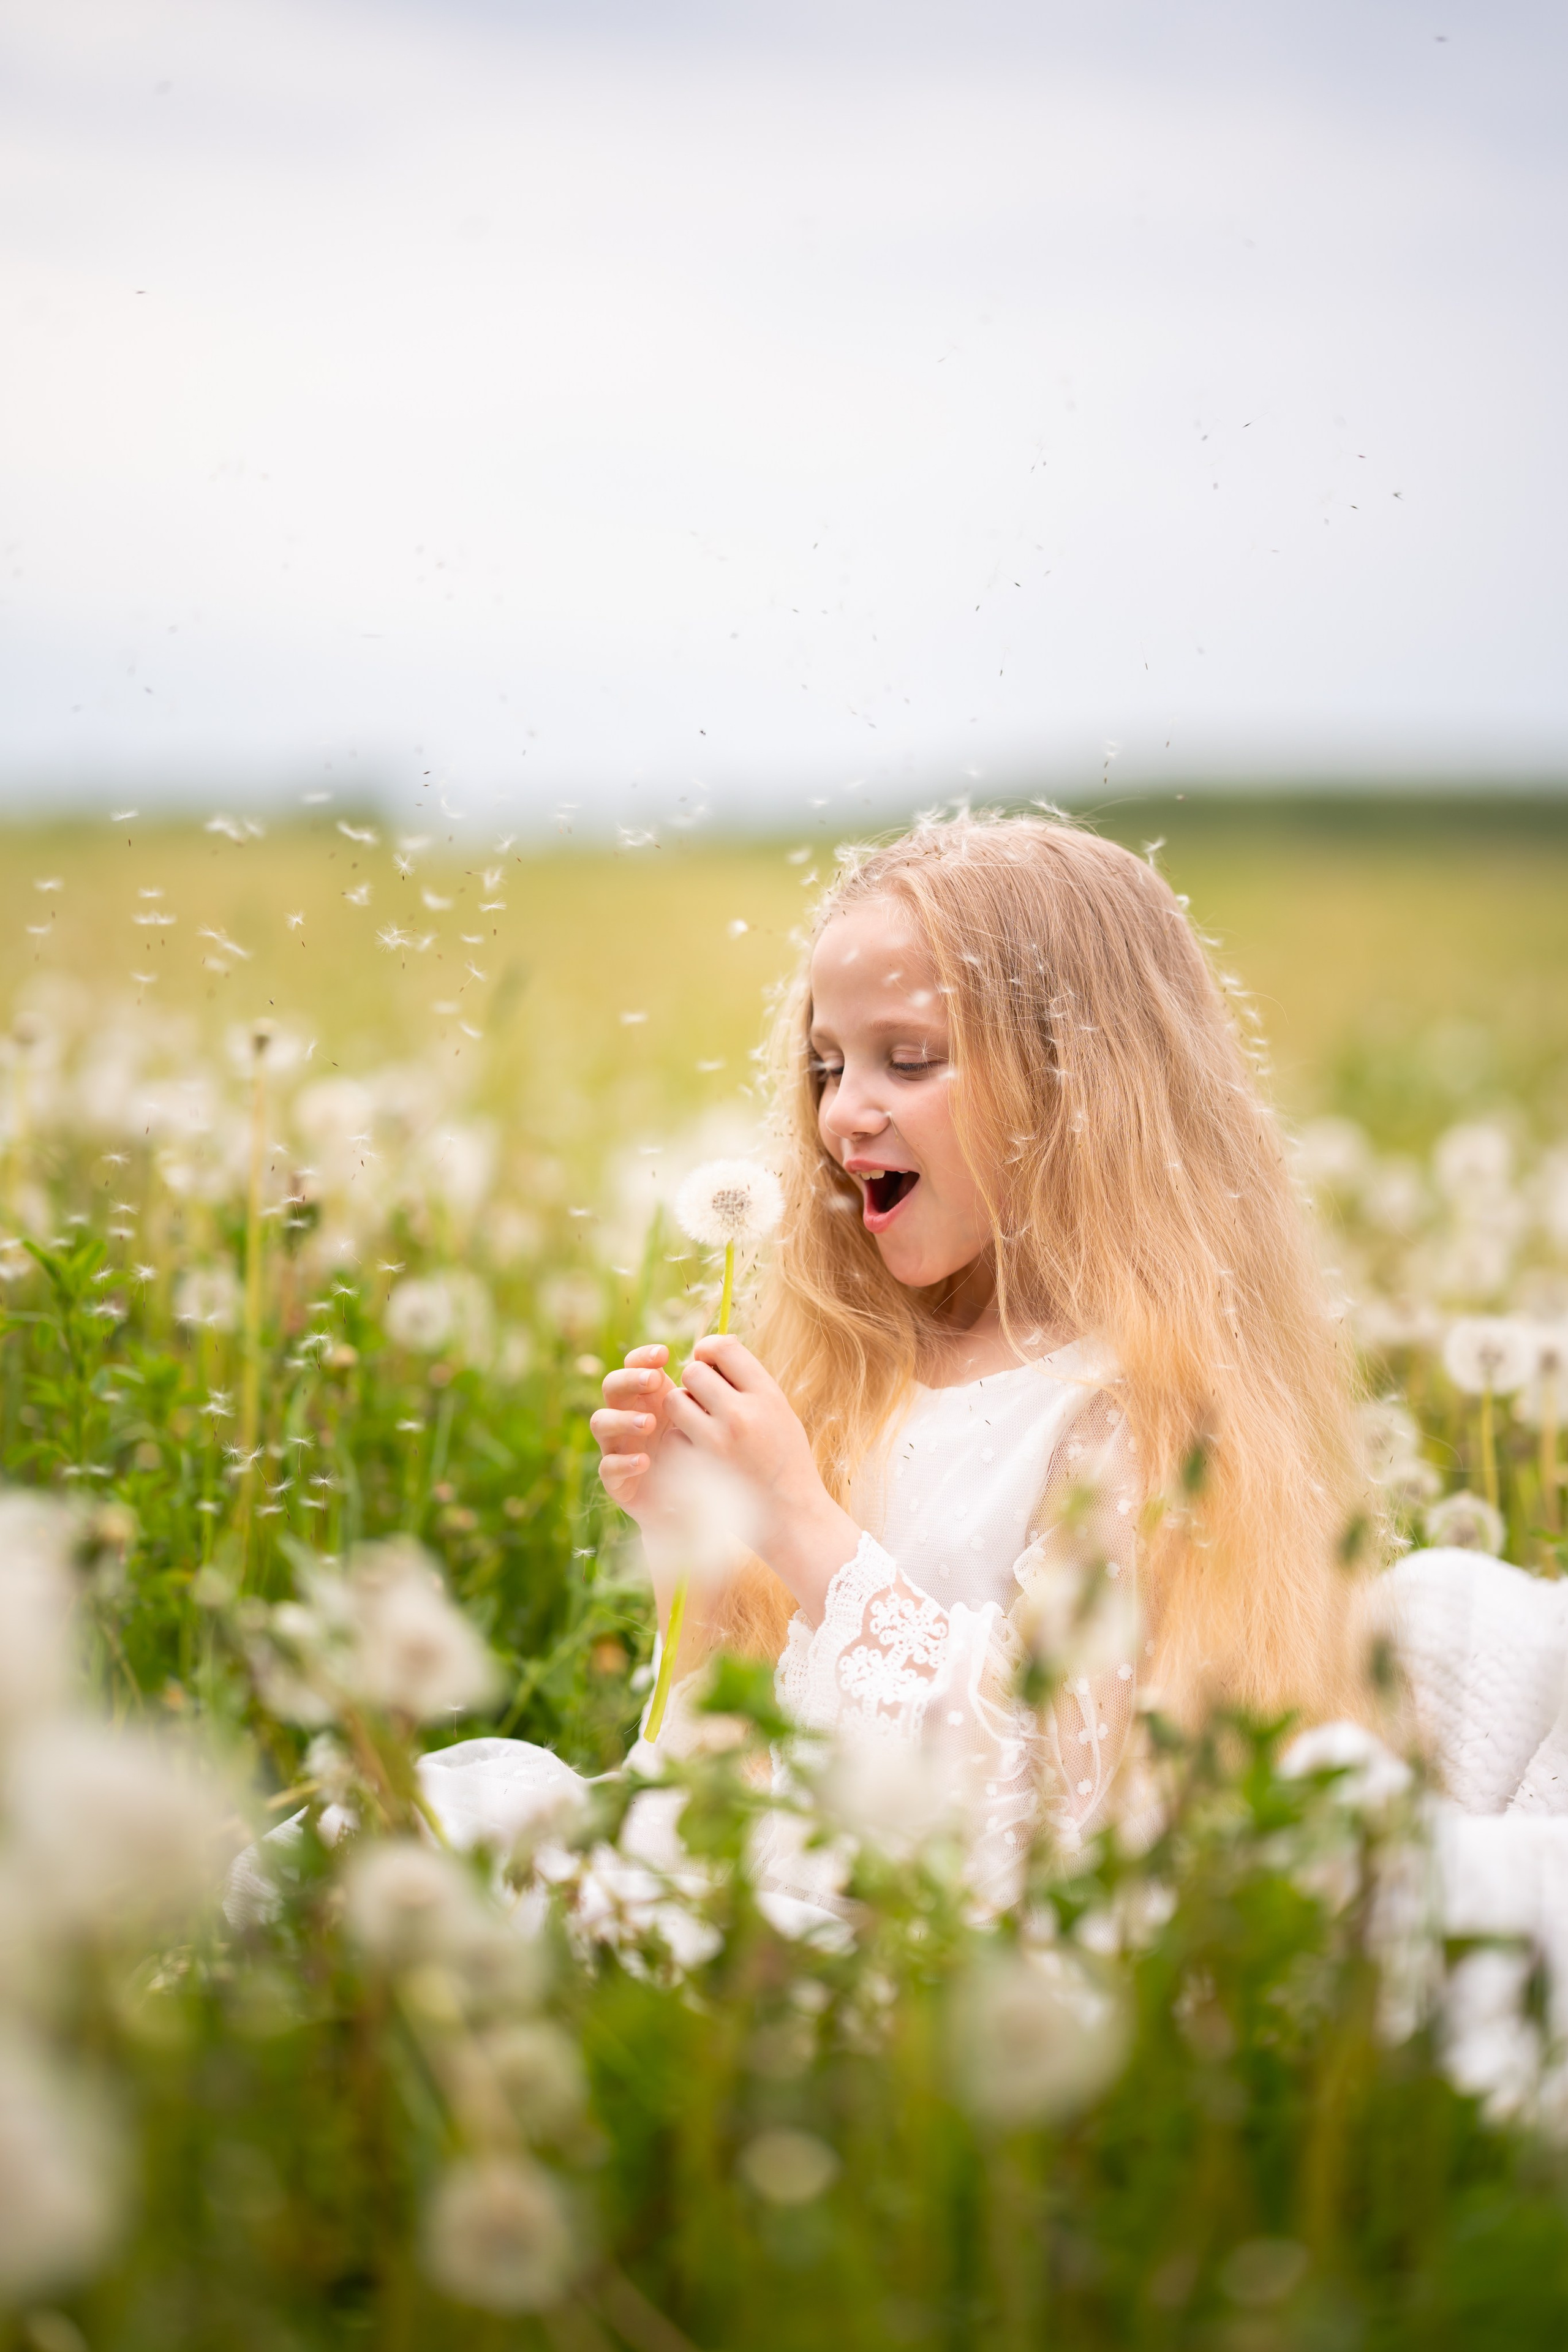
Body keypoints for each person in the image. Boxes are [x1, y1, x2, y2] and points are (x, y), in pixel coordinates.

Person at [588, 810, 1371, 1898]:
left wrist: (802, 1523)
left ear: (1078, 1085)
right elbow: (756, 1734)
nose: (843, 1114)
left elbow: (1070, 1794)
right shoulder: (860, 1358)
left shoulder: (1133, 1404)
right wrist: (705, 1542)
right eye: (826, 1065)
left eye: (907, 1060)